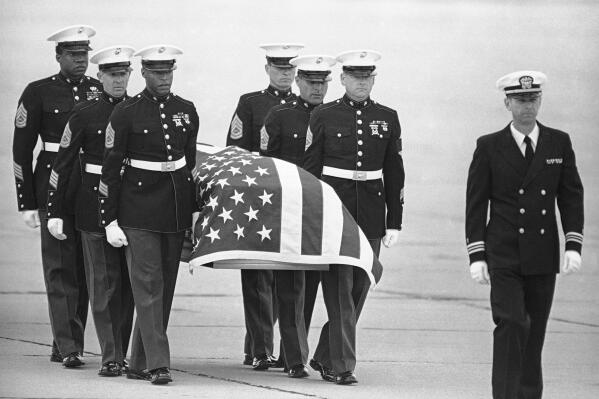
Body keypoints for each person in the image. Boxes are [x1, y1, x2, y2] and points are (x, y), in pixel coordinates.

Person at [466, 71, 584, 399]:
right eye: (520, 100)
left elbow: (571, 196)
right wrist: (476, 255)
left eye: (532, 99)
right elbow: (476, 205)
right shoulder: (489, 146)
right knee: (512, 323)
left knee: (535, 335)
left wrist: (573, 244)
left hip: (542, 254)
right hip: (503, 253)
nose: (527, 106)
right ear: (507, 103)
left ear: (540, 100)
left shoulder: (558, 142)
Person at [99, 45, 199, 385]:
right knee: (148, 286)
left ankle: (139, 362)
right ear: (143, 74)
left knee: (164, 289)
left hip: (173, 210)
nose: (164, 78)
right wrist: (109, 219)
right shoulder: (126, 112)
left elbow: (188, 165)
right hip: (137, 209)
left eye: (168, 72)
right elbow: (111, 170)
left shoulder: (186, 110)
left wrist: (194, 213)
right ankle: (159, 364)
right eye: (157, 73)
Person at [303, 50, 404, 385]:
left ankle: (324, 355)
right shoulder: (324, 115)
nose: (362, 83)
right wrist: (311, 213)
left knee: (362, 283)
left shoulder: (387, 116)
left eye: (367, 77)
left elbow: (394, 170)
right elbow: (311, 169)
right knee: (339, 287)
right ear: (343, 79)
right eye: (355, 77)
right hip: (336, 209)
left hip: (372, 209)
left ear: (373, 80)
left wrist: (394, 220)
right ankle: (342, 365)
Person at [46, 45, 136, 377]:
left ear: (130, 75)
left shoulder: (139, 109)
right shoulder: (84, 113)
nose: (118, 80)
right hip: (93, 204)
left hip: (132, 205)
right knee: (103, 283)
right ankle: (111, 356)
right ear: (99, 77)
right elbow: (63, 164)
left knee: (128, 287)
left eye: (123, 74)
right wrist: (54, 210)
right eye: (111, 74)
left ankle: (122, 351)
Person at [12, 25, 99, 367]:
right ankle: (69, 346)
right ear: (59, 56)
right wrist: (27, 201)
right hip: (52, 184)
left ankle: (65, 341)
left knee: (83, 267)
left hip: (89, 187)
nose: (81, 61)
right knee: (60, 268)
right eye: (74, 55)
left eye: (85, 55)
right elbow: (21, 150)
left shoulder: (99, 90)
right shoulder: (38, 93)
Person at [226, 43, 304, 370]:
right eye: (279, 68)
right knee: (258, 279)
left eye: (289, 69)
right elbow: (235, 151)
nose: (284, 74)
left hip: (295, 202)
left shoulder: (309, 108)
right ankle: (260, 349)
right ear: (268, 68)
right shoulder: (252, 103)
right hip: (260, 201)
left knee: (288, 281)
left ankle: (274, 349)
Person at [260, 54, 336, 378]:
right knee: (291, 287)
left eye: (323, 82)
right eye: (311, 82)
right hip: (289, 211)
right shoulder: (279, 116)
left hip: (323, 212)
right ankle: (293, 357)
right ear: (299, 81)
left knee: (323, 286)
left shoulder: (335, 116)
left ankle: (308, 351)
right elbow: (266, 165)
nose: (317, 88)